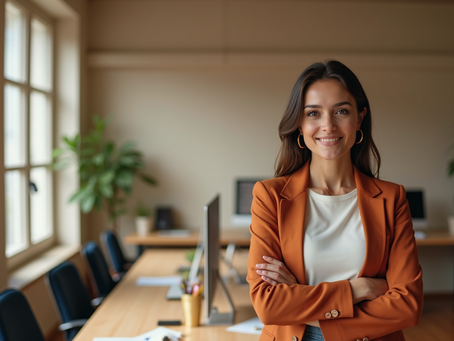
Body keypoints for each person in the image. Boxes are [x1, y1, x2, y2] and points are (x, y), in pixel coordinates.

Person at [247, 60, 423, 341]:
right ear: (300, 124)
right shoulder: (270, 197)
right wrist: (358, 289)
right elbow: (268, 305)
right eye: (313, 113)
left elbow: (408, 306)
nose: (328, 125)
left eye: (341, 111)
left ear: (359, 118)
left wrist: (300, 296)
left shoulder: (392, 198)